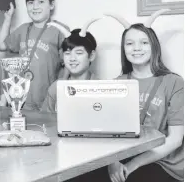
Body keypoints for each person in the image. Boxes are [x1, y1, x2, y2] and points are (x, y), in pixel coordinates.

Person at [71, 9, 183, 182]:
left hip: (163, 163)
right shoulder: (116, 84)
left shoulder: (173, 82)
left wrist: (133, 165)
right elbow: (107, 134)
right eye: (130, 43)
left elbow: (175, 139)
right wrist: (113, 161)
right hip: (124, 158)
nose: (137, 48)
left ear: (154, 46)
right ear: (124, 49)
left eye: (144, 42)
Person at [0, 0, 69, 110]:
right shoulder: (23, 29)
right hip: (23, 98)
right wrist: (7, 19)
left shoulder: (59, 29)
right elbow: (1, 45)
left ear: (52, 5)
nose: (35, 7)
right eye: (31, 2)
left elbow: (68, 62)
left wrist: (62, 84)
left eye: (41, 2)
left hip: (48, 98)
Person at [41, 18, 102, 113]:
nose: (72, 58)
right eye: (67, 53)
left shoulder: (102, 88)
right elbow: (45, 120)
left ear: (92, 56)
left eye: (79, 52)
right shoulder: (56, 87)